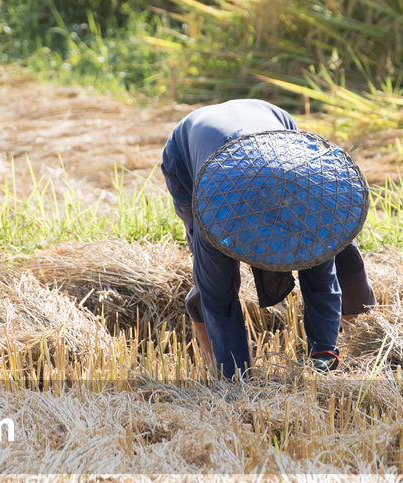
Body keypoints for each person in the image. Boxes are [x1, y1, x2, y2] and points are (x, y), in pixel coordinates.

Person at [161, 99, 375, 377]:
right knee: (211, 276)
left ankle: (357, 340)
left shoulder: (315, 204)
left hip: (274, 128)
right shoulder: (215, 212)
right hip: (188, 155)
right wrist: (236, 378)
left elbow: (322, 283)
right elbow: (219, 299)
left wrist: (324, 353)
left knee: (336, 250)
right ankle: (223, 367)